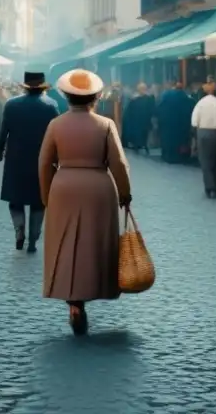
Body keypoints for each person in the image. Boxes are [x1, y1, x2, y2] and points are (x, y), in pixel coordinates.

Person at [39, 69, 132, 336]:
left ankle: (74, 301)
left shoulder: (56, 125)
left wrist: (47, 195)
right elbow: (119, 163)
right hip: (98, 187)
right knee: (95, 243)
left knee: (65, 244)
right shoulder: (105, 125)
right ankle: (93, 287)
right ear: (97, 97)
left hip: (64, 186)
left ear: (66, 97)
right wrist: (125, 193)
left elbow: (44, 162)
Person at [0, 72, 58, 252]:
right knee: (39, 201)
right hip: (41, 160)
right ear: (42, 87)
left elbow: (4, 131)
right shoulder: (51, 106)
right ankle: (33, 240)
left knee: (16, 200)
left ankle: (19, 230)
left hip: (16, 159)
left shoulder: (11, 104)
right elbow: (56, 136)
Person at [157, 80, 194, 163]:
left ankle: (167, 156)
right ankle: (179, 157)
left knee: (167, 139)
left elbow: (159, 108)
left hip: (167, 123)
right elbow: (189, 110)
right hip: (180, 124)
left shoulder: (165, 95)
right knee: (179, 141)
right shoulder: (185, 97)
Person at [121, 83, 155, 154]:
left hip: (143, 120)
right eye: (141, 89)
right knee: (139, 134)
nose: (142, 90)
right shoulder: (136, 99)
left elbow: (151, 109)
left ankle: (142, 146)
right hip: (138, 120)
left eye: (143, 89)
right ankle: (138, 146)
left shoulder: (147, 99)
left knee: (143, 134)